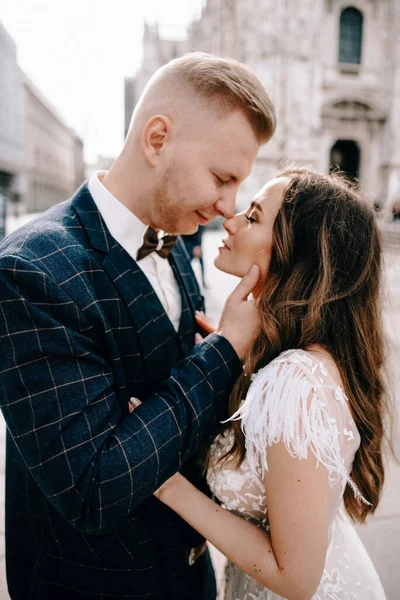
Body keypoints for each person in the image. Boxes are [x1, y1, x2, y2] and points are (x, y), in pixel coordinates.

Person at [0, 53, 276, 600]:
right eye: (222, 178)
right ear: (157, 139)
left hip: (189, 578)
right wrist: (223, 352)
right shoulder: (32, 271)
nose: (229, 207)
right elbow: (92, 489)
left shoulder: (171, 243)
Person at [152, 168, 389, 599]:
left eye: (254, 216)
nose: (230, 220)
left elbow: (295, 578)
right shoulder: (292, 355)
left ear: (295, 253)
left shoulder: (295, 380)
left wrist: (166, 483)